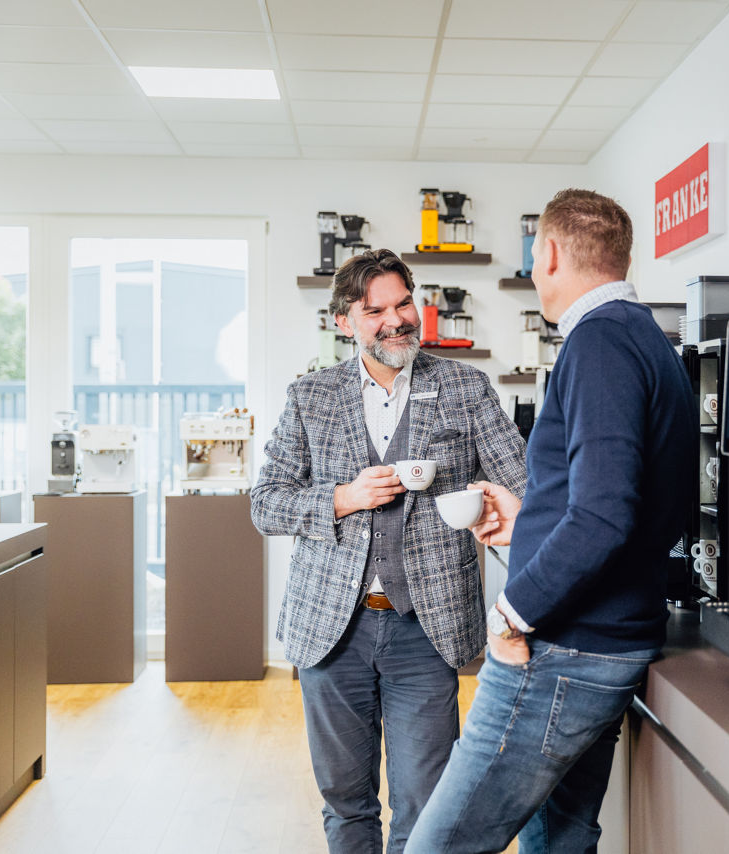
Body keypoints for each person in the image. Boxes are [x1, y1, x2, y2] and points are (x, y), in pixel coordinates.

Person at [405, 190, 698, 854]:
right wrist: (529, 521)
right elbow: (626, 499)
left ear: (552, 252)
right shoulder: (645, 339)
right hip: (609, 643)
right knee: (561, 841)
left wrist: (511, 614)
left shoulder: (598, 344)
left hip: (563, 650)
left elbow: (602, 515)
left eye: (536, 258)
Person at [250, 248, 527, 854]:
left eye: (404, 303)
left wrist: (487, 501)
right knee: (347, 805)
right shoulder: (311, 396)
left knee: (426, 805)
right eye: (375, 310)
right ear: (345, 322)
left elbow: (524, 487)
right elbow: (265, 503)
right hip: (332, 631)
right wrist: (342, 498)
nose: (396, 319)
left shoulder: (465, 387)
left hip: (424, 630)